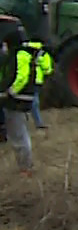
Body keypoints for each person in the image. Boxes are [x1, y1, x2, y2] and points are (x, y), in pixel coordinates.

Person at [3, 28, 41, 174]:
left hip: (17, 99)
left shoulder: (20, 55)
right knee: (19, 133)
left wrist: (10, 91)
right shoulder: (25, 54)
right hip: (22, 98)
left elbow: (22, 77)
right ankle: (24, 166)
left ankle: (25, 167)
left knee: (19, 135)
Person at [22, 38, 49, 130]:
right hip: (36, 81)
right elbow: (48, 70)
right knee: (34, 102)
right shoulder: (44, 55)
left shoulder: (24, 51)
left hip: (24, 80)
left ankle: (26, 121)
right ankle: (38, 123)